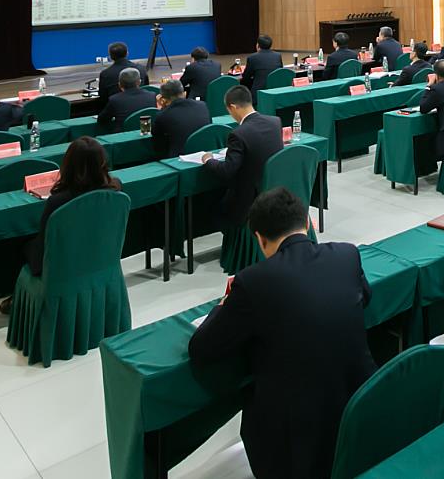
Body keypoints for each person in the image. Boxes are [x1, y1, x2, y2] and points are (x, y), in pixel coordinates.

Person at [189, 188, 376, 479]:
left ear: (260, 239)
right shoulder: (346, 254)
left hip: (295, 435)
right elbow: (365, 297)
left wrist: (223, 305)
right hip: (359, 404)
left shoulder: (253, 281)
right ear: (308, 223)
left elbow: (201, 349)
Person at [21, 136, 123, 279]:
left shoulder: (57, 202)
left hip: (64, 267)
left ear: (68, 166)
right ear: (102, 162)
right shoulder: (116, 188)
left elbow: (44, 247)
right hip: (101, 258)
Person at [204, 85, 284, 232]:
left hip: (249, 200)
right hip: (275, 190)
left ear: (233, 107)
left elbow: (227, 171)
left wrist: (208, 160)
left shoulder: (238, 134)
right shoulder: (275, 122)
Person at [150, 79, 211, 159]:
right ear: (184, 93)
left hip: (180, 158)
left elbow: (157, 143)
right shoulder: (202, 105)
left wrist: (163, 108)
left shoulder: (163, 115)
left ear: (163, 99)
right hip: (206, 153)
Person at [96, 42, 147, 107]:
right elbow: (147, 88)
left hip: (116, 108)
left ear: (110, 57)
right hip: (141, 106)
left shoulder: (105, 74)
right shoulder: (141, 69)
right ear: (127, 53)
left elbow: (103, 97)